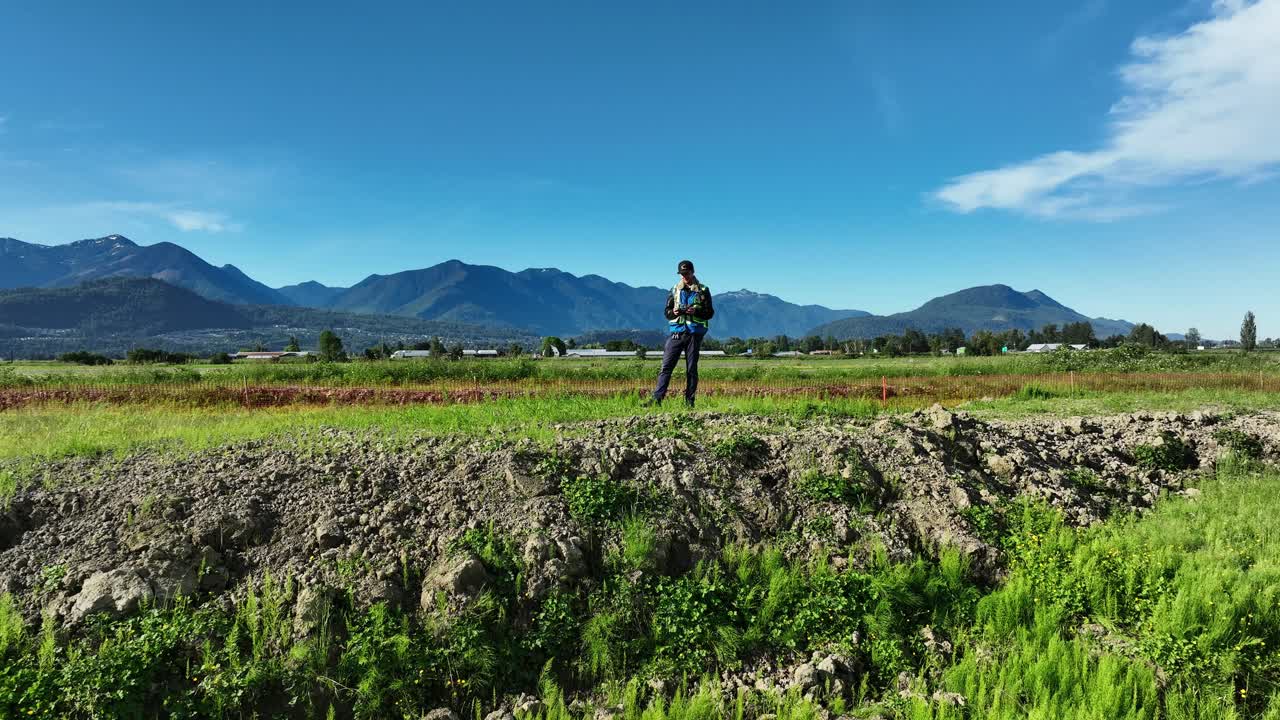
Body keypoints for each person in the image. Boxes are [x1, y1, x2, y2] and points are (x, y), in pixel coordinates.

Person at [645, 259, 714, 407]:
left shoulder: (703, 290)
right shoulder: (674, 289)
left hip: (694, 334)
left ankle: (689, 403)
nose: (684, 277)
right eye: (682, 274)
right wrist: (674, 312)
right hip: (676, 333)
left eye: (687, 273)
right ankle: (656, 400)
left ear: (693, 272)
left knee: (691, 369)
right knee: (666, 367)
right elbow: (667, 312)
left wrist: (696, 311)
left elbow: (709, 313)